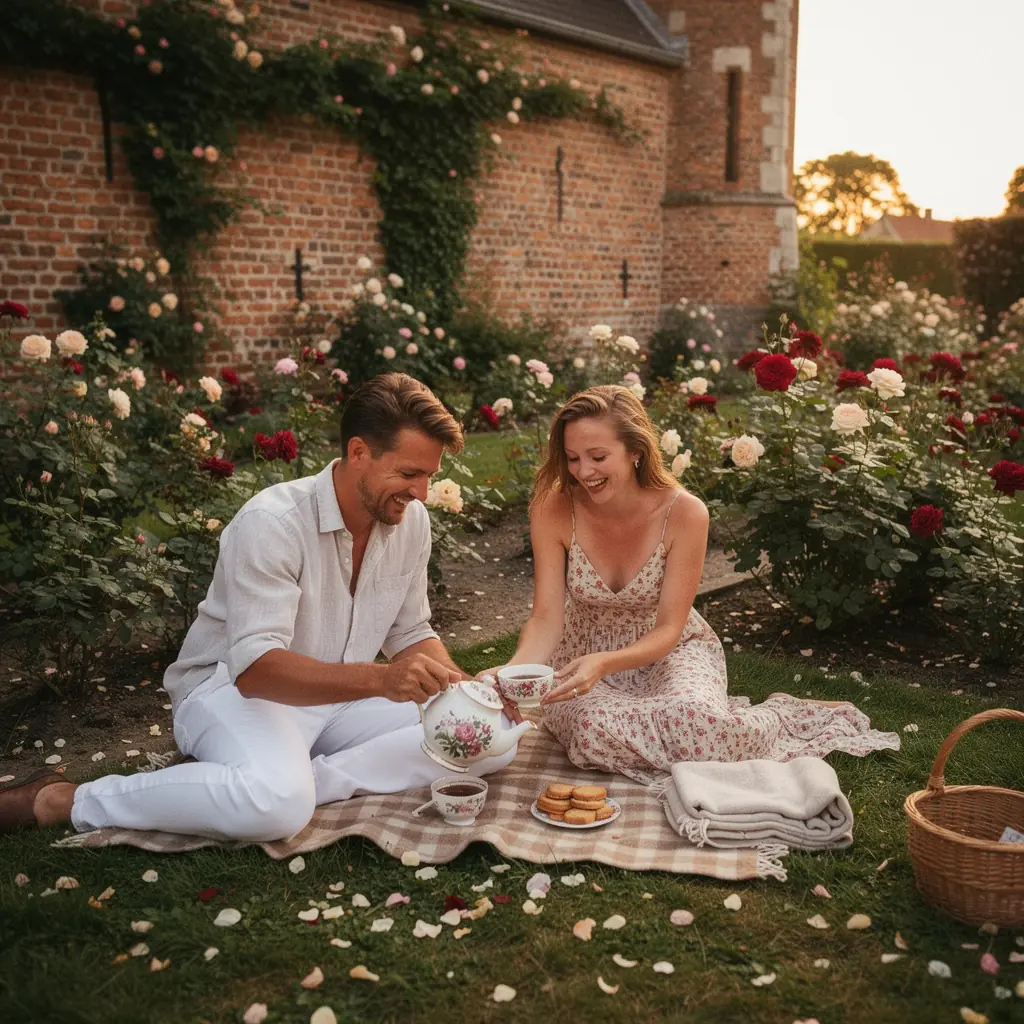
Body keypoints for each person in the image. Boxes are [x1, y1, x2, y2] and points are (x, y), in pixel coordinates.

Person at [0, 373, 520, 840]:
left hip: (338, 697)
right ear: (359, 452)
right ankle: (64, 799)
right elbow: (254, 672)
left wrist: (467, 692)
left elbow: (410, 631)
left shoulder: (409, 522)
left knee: (489, 742)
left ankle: (293, 781)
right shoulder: (273, 523)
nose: (424, 493)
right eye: (410, 473)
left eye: (429, 476)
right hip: (232, 692)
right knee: (275, 809)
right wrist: (383, 681)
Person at [493, 384, 899, 784]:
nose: (583, 472)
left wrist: (607, 663)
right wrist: (510, 674)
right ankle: (677, 733)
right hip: (580, 656)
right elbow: (546, 619)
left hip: (668, 649)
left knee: (699, 723)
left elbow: (669, 629)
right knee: (591, 732)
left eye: (598, 456)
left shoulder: (684, 513)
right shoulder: (553, 508)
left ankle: (777, 717)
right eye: (572, 458)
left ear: (636, 451)